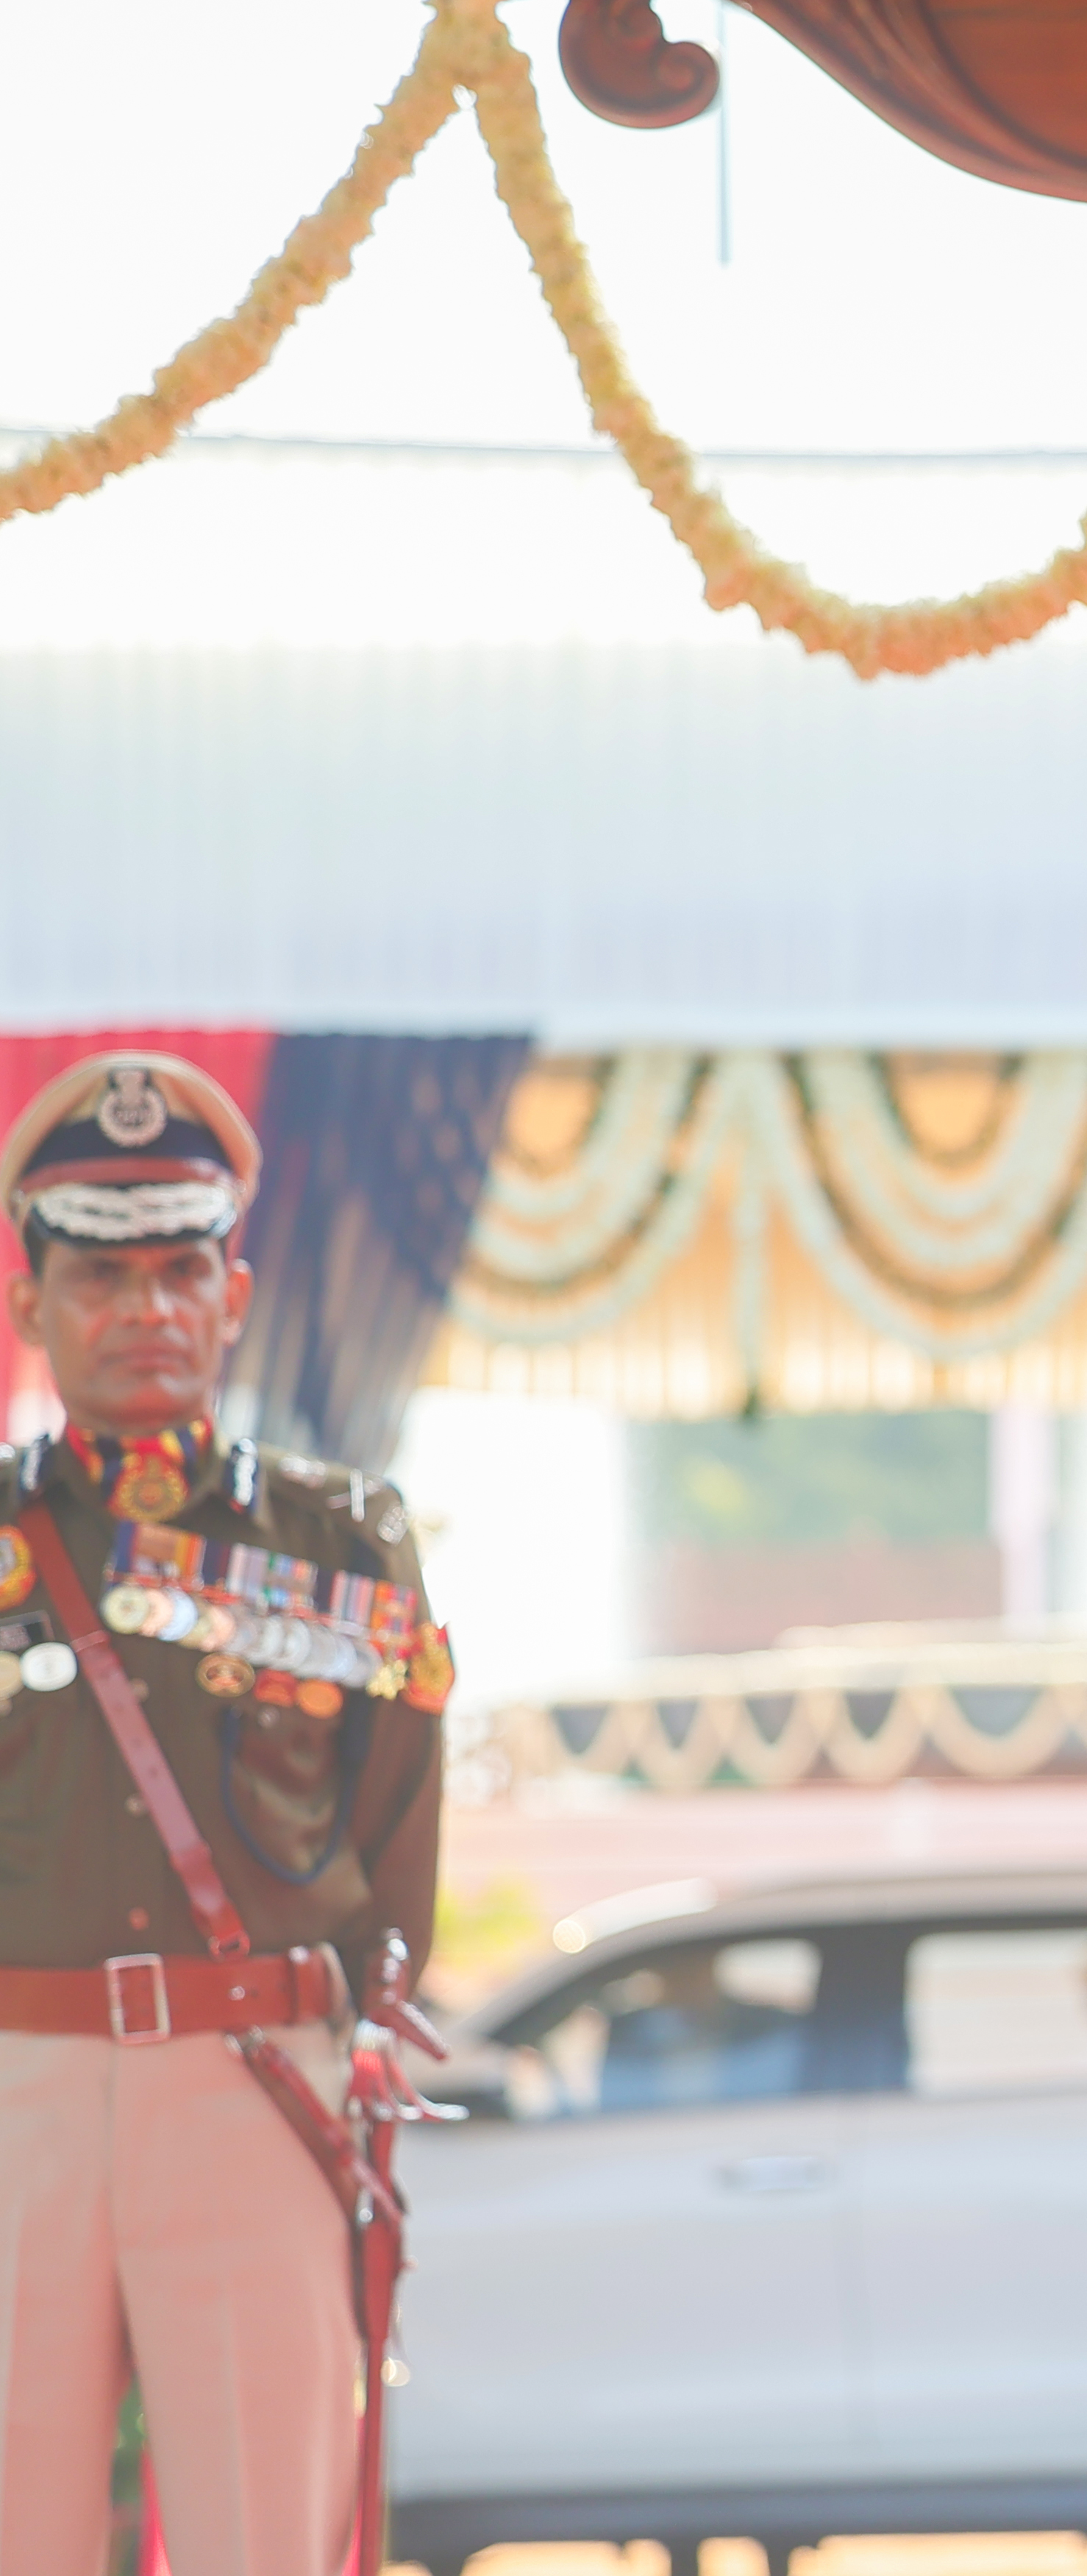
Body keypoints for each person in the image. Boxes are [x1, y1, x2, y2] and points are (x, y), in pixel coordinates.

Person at [0, 1051, 455, 2576]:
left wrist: (364, 2028)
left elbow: (394, 1824)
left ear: (236, 1294)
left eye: (181, 1268)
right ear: (32, 1305)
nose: (146, 1309)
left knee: (267, 2528)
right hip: (17, 2094)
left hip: (254, 2080)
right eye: (102, 1273)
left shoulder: (340, 1544)